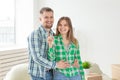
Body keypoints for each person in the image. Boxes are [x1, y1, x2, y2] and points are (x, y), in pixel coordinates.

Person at [27, 7, 70, 80]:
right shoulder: (35, 34)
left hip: (51, 73)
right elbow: (37, 58)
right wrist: (56, 64)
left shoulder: (53, 35)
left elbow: (55, 54)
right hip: (38, 75)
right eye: (46, 17)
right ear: (40, 19)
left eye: (51, 17)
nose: (49, 20)